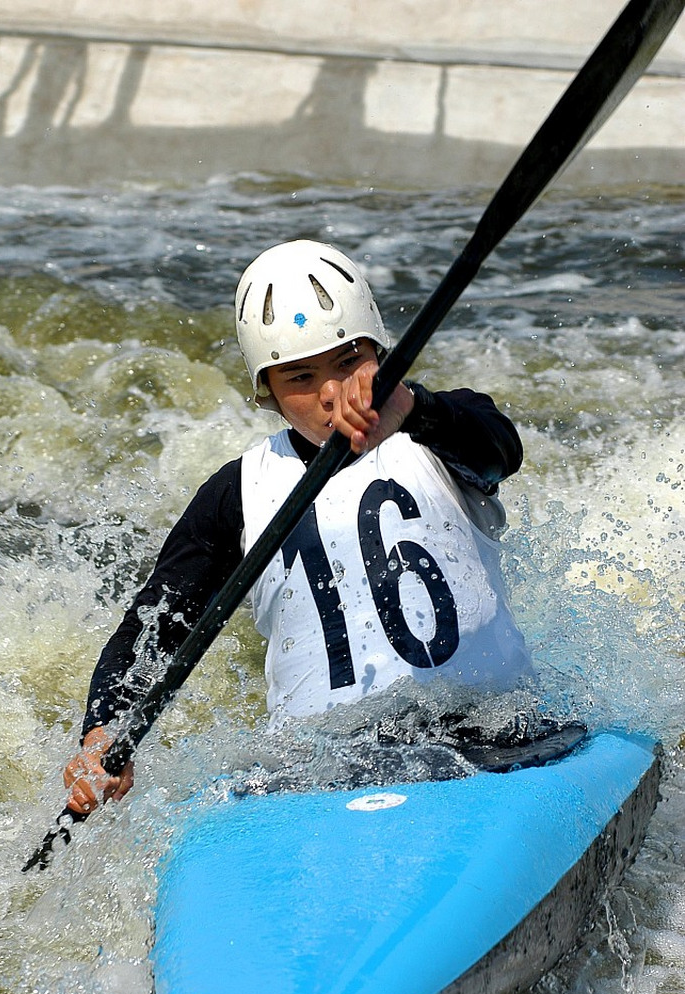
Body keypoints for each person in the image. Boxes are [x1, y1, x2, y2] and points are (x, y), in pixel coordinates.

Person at [62, 239, 534, 815]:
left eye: (348, 362)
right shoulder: (237, 494)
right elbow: (154, 628)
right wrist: (103, 733)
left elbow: (499, 452)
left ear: (381, 353)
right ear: (269, 394)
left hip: (495, 735)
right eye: (302, 377)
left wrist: (414, 408)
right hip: (323, 769)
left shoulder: (438, 430)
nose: (332, 393)